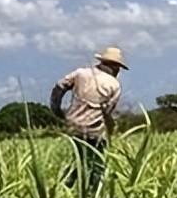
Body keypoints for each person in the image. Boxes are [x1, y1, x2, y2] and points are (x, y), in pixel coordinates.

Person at [50, 47, 127, 189]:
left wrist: (57, 111)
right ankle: (93, 193)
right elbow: (108, 112)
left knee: (76, 161)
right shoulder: (114, 85)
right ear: (115, 67)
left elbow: (59, 88)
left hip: (73, 127)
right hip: (95, 131)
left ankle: (62, 189)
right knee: (97, 165)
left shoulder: (81, 73)